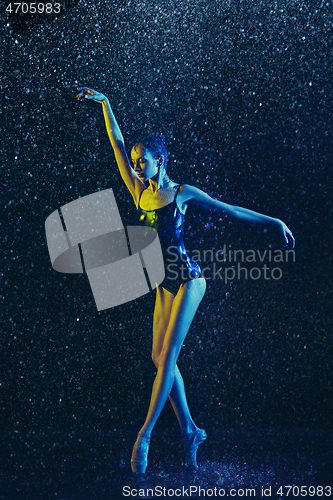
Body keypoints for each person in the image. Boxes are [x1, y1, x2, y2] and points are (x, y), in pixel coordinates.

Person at [76, 87, 295, 474]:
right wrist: (106, 103)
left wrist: (273, 221)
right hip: (164, 283)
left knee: (168, 357)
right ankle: (191, 430)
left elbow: (230, 211)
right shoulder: (138, 194)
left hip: (190, 279)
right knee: (159, 357)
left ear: (160, 161)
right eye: (135, 163)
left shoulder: (181, 193)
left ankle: (144, 436)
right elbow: (117, 142)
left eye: (144, 162)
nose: (137, 167)